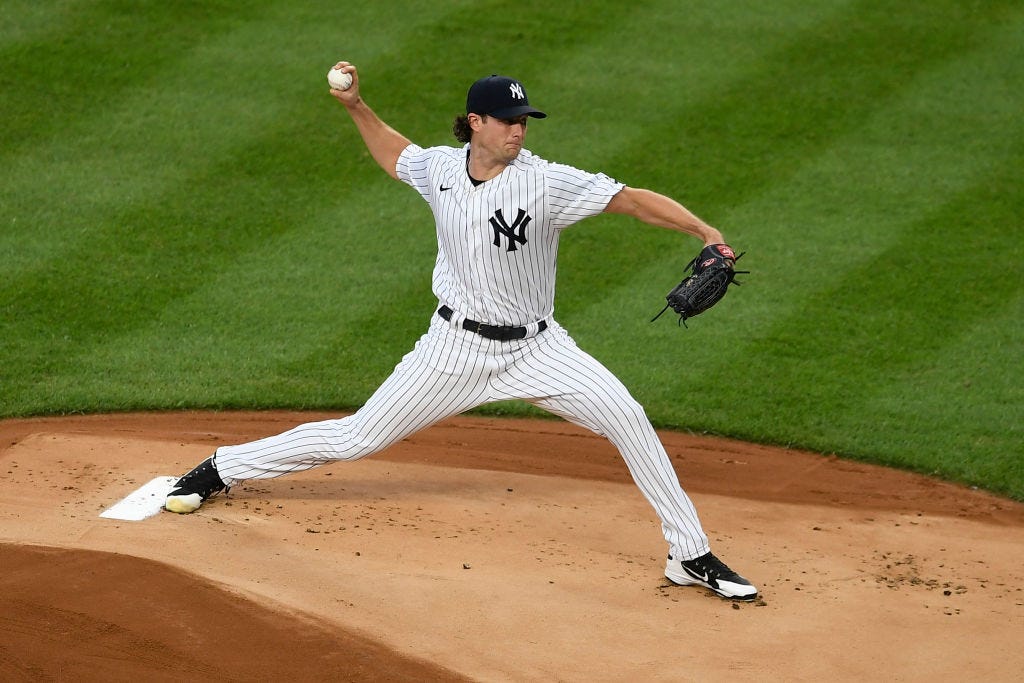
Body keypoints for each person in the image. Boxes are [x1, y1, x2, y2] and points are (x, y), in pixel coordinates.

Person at [165, 62, 757, 601]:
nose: (518, 132)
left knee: (626, 415)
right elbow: (396, 155)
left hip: (537, 347)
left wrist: (703, 231)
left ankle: (690, 553)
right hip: (453, 348)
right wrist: (356, 107)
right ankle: (221, 468)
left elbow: (628, 200)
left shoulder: (546, 182)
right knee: (357, 439)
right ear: (475, 123)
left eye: (523, 121)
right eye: (506, 122)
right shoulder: (442, 168)